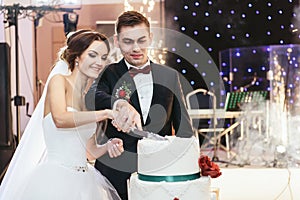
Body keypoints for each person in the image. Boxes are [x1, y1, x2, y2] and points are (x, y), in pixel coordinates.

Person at [0, 30, 125, 200]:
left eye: (103, 57)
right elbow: (60, 119)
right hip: (56, 180)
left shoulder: (87, 99)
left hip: (85, 181)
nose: (99, 62)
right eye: (93, 55)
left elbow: (89, 152)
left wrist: (107, 146)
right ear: (77, 58)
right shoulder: (59, 81)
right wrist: (106, 113)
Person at [85, 10, 194, 199]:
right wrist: (119, 104)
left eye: (141, 40)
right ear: (117, 41)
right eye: (128, 41)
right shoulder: (108, 72)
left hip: (158, 172)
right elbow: (91, 96)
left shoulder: (170, 76)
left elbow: (184, 128)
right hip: (115, 171)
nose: (136, 48)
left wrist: (189, 167)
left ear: (150, 38)